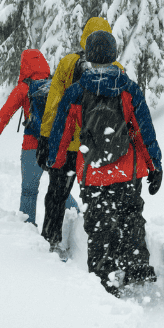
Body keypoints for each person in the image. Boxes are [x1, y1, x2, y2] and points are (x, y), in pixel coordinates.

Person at [48, 30, 163, 295]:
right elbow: (145, 131)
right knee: (131, 219)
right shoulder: (129, 89)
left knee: (99, 227)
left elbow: (61, 132)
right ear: (114, 54)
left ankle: (105, 280)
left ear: (88, 56)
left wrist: (56, 162)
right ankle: (137, 271)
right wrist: (154, 165)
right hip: (128, 172)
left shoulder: (76, 92)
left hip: (93, 173)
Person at [37, 17, 124, 252]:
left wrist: (46, 139)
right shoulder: (118, 70)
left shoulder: (67, 63)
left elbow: (54, 104)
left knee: (56, 194)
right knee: (101, 200)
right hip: (99, 149)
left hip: (67, 145)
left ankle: (51, 239)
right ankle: (105, 251)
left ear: (85, 37)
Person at [0, 49, 77, 224]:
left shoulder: (23, 88)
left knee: (29, 192)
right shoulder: (54, 84)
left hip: (31, 148)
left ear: (24, 66)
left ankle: (28, 234)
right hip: (53, 146)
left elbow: (2, 118)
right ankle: (78, 220)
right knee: (59, 189)